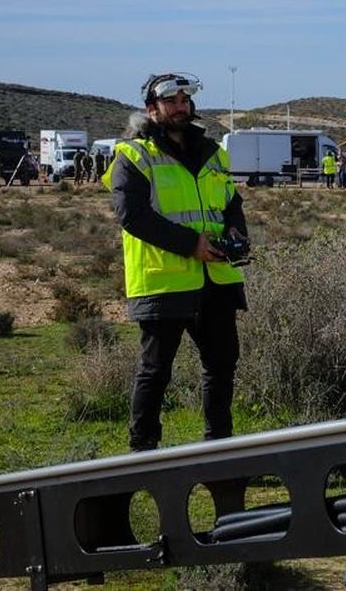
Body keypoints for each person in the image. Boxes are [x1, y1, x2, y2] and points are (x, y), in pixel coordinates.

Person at [104, 72, 248, 452]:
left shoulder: (213, 152)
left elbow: (232, 203)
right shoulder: (133, 155)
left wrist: (236, 234)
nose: (181, 106)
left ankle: (219, 448)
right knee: (155, 372)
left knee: (221, 367)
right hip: (163, 282)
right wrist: (191, 245)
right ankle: (142, 452)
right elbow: (132, 215)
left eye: (185, 100)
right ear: (152, 110)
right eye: (171, 101)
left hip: (215, 278)